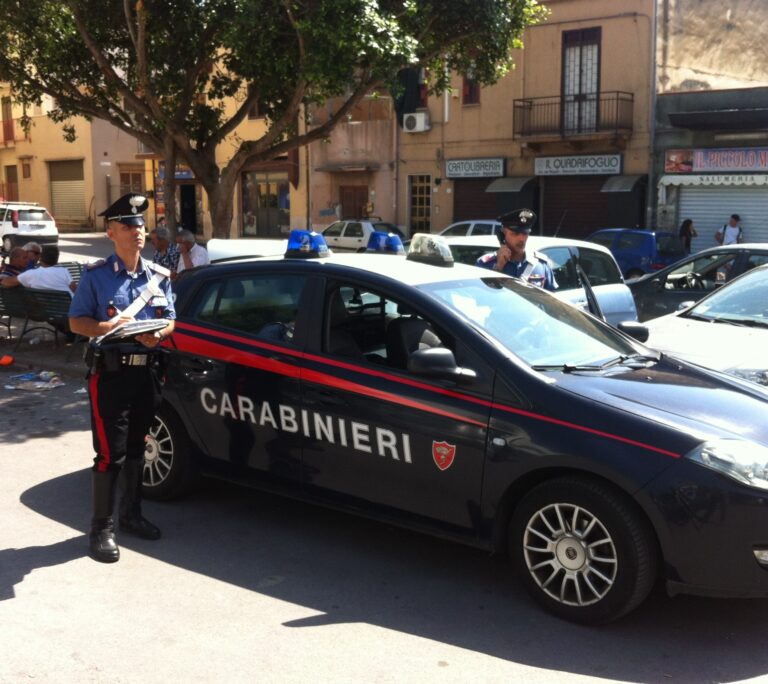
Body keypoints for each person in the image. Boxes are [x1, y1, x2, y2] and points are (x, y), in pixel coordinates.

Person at [68, 193, 175, 563]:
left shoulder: (158, 276)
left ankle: (131, 515)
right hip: (111, 375)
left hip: (147, 372)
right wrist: (104, 326)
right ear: (111, 232)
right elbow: (75, 321)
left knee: (138, 448)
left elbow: (171, 317)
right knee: (109, 454)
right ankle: (102, 528)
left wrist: (158, 334)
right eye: (129, 226)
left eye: (141, 225)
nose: (138, 231)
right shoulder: (97, 277)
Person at [475, 208, 558, 291]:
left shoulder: (541, 265)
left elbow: (552, 300)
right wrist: (498, 267)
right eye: (515, 233)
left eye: (525, 233)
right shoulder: (484, 264)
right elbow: (480, 296)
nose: (521, 239)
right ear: (503, 234)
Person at [1, 244, 76, 295]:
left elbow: (4, 282)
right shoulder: (64, 271)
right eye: (25, 258)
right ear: (56, 259)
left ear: (40, 258)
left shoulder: (30, 274)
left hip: (43, 311)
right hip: (67, 310)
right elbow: (74, 289)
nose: (27, 260)